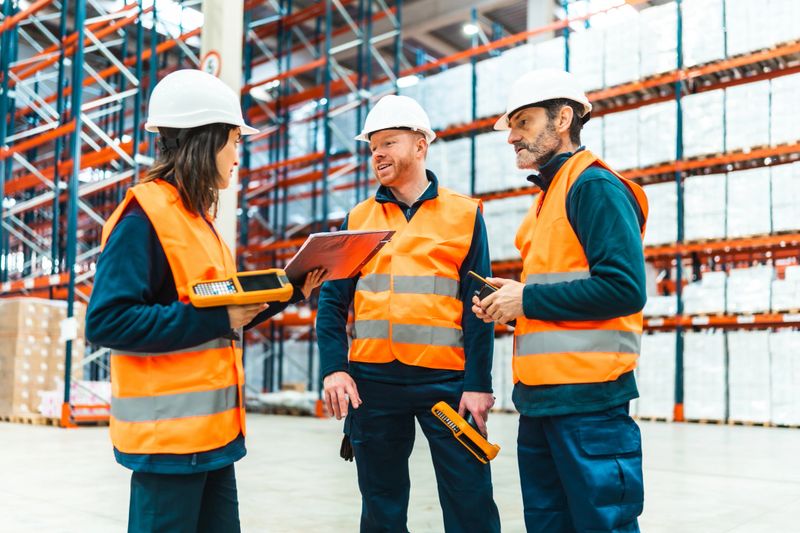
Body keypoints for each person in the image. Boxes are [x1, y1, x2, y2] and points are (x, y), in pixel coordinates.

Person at [86, 69, 324, 533]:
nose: (239, 155)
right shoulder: (144, 218)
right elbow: (108, 321)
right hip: (169, 445)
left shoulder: (198, 220)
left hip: (214, 439)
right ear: (206, 140)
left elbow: (220, 314)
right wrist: (214, 316)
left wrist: (291, 290)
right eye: (235, 141)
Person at [472, 69, 648, 533]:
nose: (511, 136)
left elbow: (624, 288)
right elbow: (558, 293)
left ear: (563, 118)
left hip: (590, 404)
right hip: (541, 403)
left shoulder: (593, 187)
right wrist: (508, 306)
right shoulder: (551, 193)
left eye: (523, 122)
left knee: (600, 524)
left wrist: (525, 300)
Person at [315, 94, 501, 533]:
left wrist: (478, 384)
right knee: (381, 504)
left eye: (389, 142)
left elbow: (481, 310)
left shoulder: (463, 214)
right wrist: (334, 370)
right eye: (372, 145)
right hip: (373, 384)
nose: (377, 153)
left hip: (446, 383)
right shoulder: (359, 217)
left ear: (420, 145)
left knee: (470, 499)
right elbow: (332, 301)